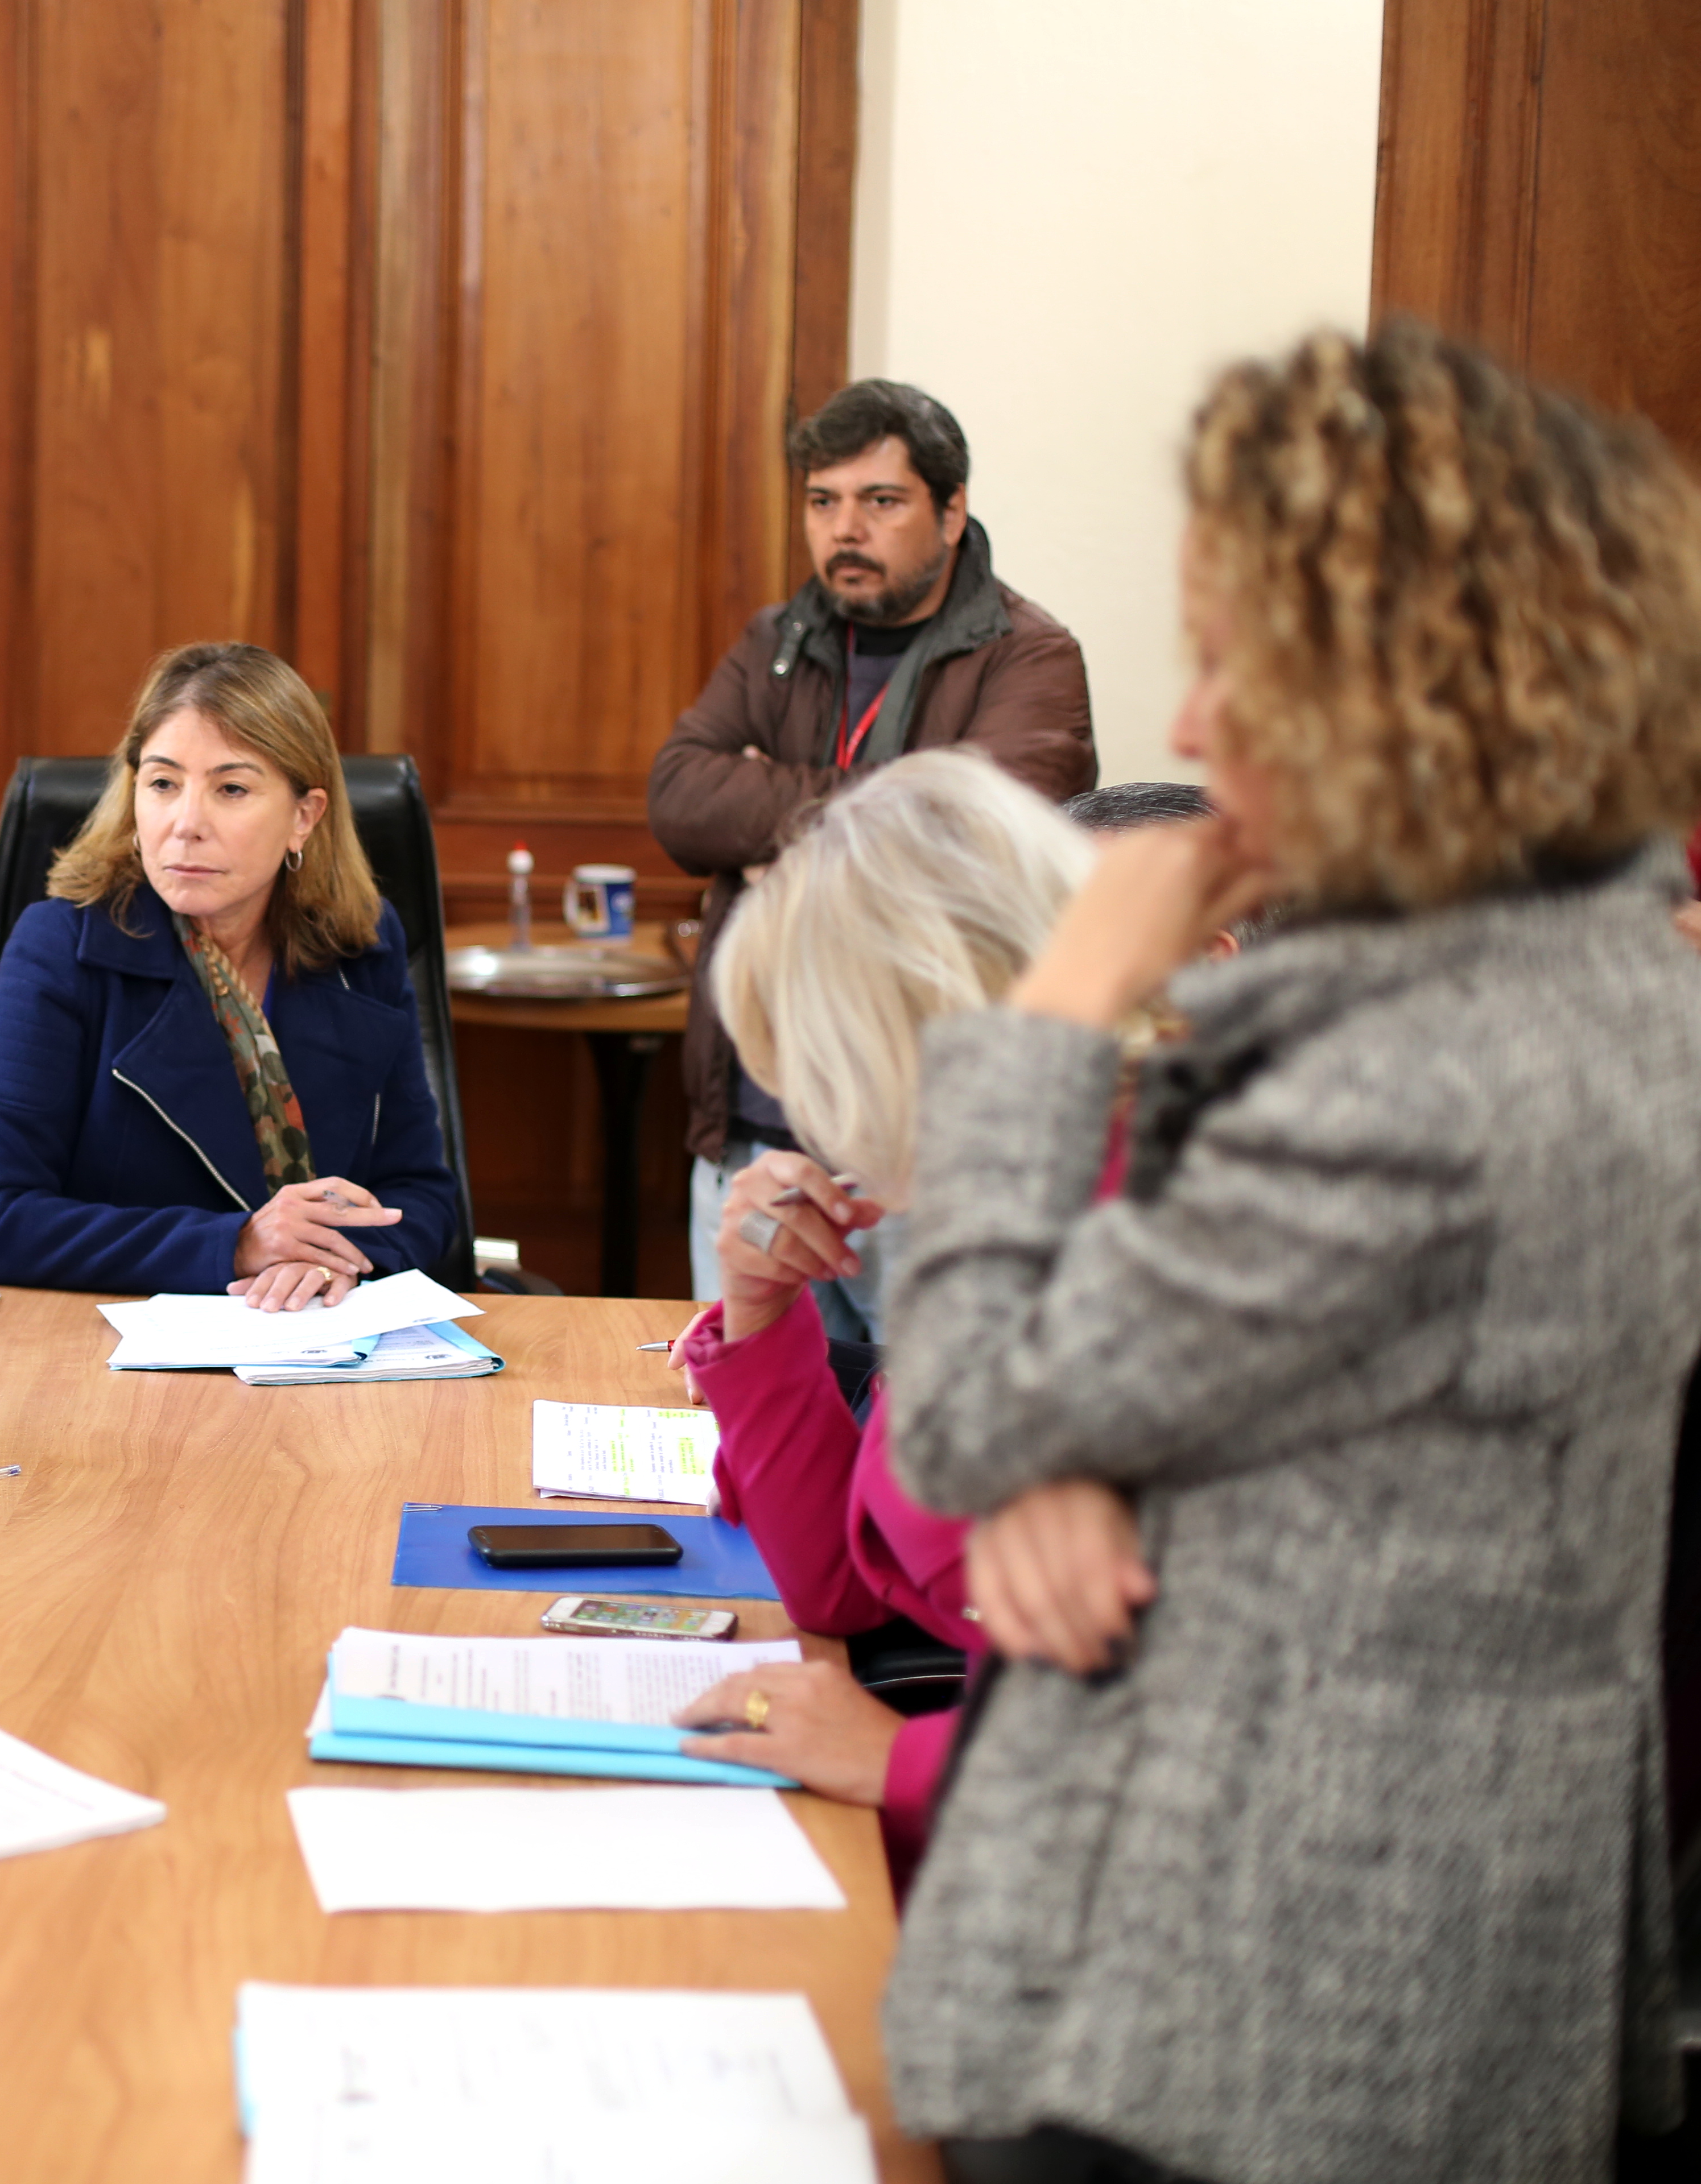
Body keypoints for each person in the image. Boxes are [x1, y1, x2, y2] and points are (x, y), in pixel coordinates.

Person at [884, 323, 1701, 2184]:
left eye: (1242, 662)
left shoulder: (1442, 1082)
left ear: (1416, 687)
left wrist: (1069, 996)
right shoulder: (1593, 979)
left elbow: (964, 1402)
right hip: (1370, 1946)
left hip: (1252, 2003)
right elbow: (1182, 1377)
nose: (1189, 727)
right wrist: (1066, 1453)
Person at [658, 751, 1141, 1896]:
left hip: (1056, 1868)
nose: (821, 1122)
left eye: (823, 1072)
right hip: (985, 1813)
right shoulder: (1020, 1192)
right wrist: (763, 1318)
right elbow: (843, 1580)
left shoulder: (1139, 1238)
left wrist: (899, 1756)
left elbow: (1217, 1709)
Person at [648, 379, 1097, 1341]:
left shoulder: (1032, 657)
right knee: (741, 1441)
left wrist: (774, 823)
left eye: (880, 502)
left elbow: (972, 835)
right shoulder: (777, 641)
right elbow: (682, 799)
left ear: (951, 509)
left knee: (924, 1463)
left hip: (933, 1160)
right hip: (754, 1139)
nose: (846, 529)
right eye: (824, 502)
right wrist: (887, 807)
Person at [0, 641, 460, 1305]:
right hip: (110, 1358)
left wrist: (335, 1261)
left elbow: (420, 1193)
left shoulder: (362, 946)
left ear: (304, 817)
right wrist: (237, 1243)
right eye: (162, 784)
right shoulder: (63, 948)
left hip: (318, 1344)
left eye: (232, 789)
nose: (186, 824)